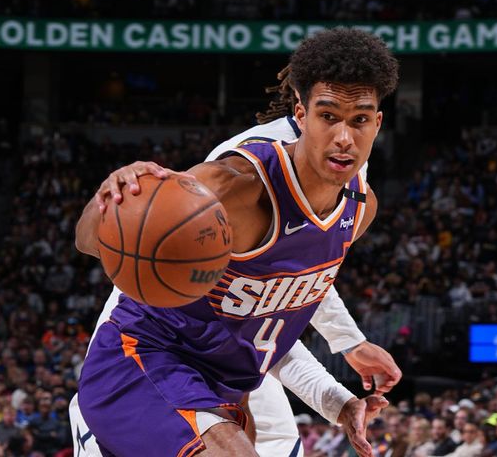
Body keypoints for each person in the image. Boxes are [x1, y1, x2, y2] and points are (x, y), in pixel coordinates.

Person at [70, 37, 402, 457]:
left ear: (377, 124)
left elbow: (275, 321)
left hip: (226, 390)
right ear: (300, 114)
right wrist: (115, 201)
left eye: (358, 120)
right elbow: (88, 241)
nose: (343, 137)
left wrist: (337, 398)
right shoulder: (232, 184)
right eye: (327, 116)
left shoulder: (359, 207)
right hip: (143, 363)